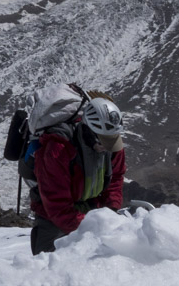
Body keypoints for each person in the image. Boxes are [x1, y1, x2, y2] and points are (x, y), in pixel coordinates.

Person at [28, 95, 126, 255]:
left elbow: (116, 178)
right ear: (89, 131)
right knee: (46, 268)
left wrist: (111, 212)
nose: (108, 148)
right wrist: (89, 231)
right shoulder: (58, 150)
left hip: (92, 208)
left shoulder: (112, 145)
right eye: (104, 142)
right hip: (53, 217)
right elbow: (57, 204)